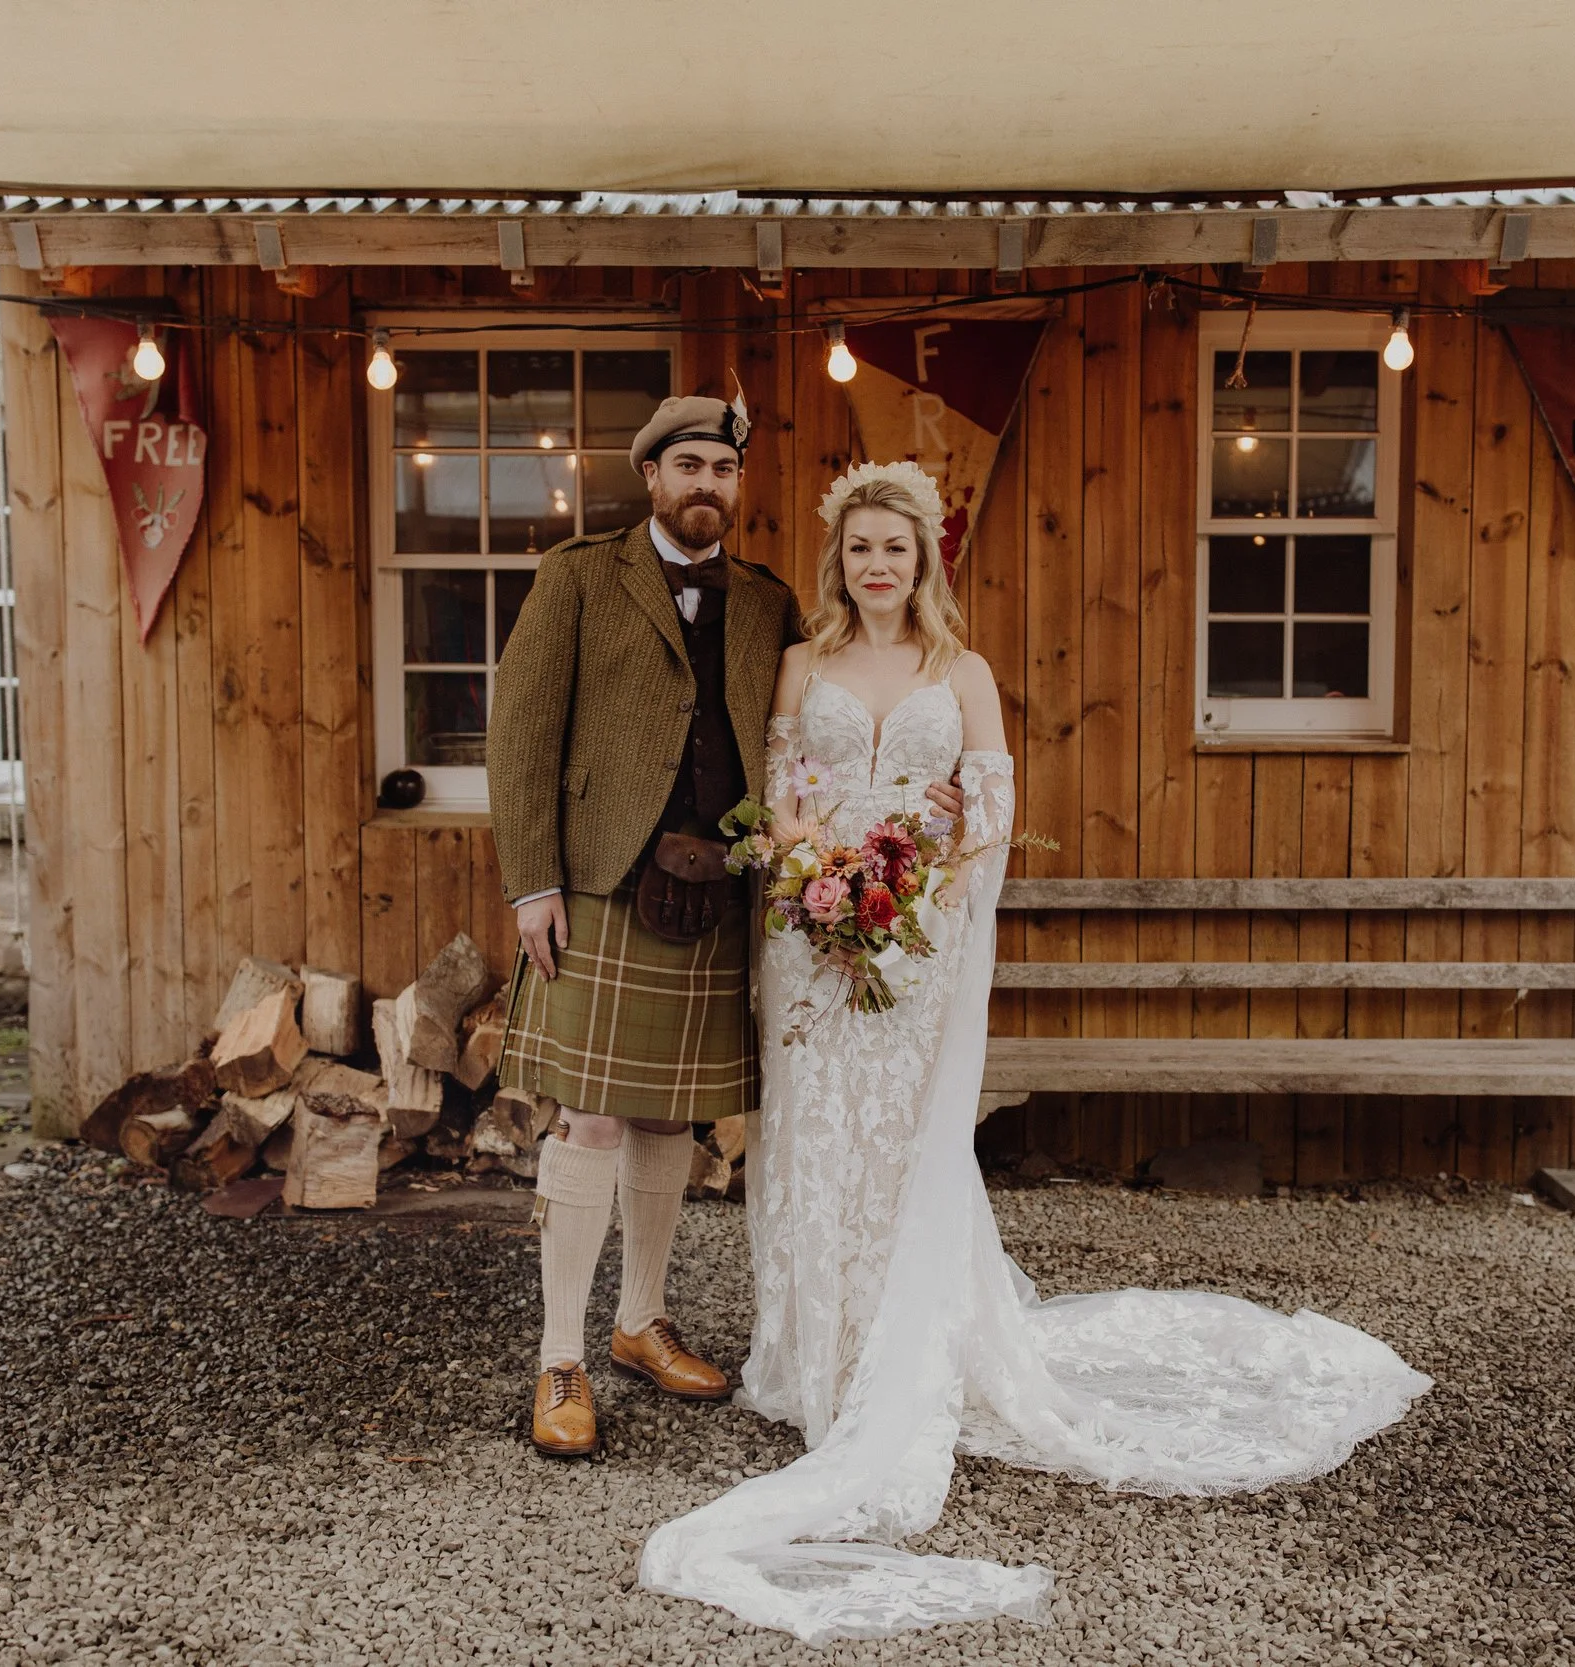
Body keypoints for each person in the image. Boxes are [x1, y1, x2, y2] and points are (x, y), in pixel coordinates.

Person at [637, 461, 1434, 1643]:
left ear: (924, 561)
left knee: (903, 1151)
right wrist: (810, 874)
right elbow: (788, 794)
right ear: (838, 558)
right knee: (814, 1138)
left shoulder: (962, 672)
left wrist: (914, 902)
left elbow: (990, 811)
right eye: (859, 547)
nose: (877, 566)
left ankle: (898, 1360)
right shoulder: (801, 665)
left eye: (895, 549)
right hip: (807, 935)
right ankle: (815, 1362)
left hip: (915, 937)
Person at [485, 398, 962, 1460]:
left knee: (670, 1122)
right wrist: (532, 883)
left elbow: (807, 743)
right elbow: (519, 732)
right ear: (649, 473)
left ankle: (640, 1320)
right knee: (592, 1123)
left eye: (723, 468)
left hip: (719, 891)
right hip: (604, 886)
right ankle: (560, 1352)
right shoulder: (576, 576)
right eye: (687, 464)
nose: (707, 483)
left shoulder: (765, 601)